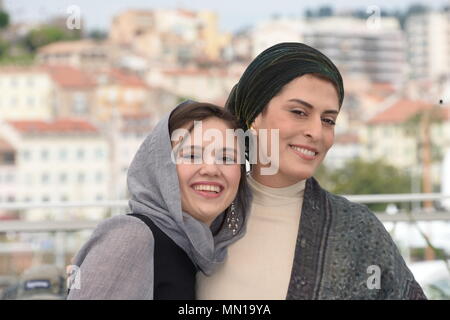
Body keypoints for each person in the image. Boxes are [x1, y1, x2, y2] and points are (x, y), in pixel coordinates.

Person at [196, 42, 427, 300]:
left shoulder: (358, 230)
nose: (316, 132)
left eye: (328, 120)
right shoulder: (200, 217)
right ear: (254, 116)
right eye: (299, 112)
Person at [67, 101, 251, 299]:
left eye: (227, 158)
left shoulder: (199, 251)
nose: (211, 169)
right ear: (159, 167)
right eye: (191, 155)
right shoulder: (133, 236)